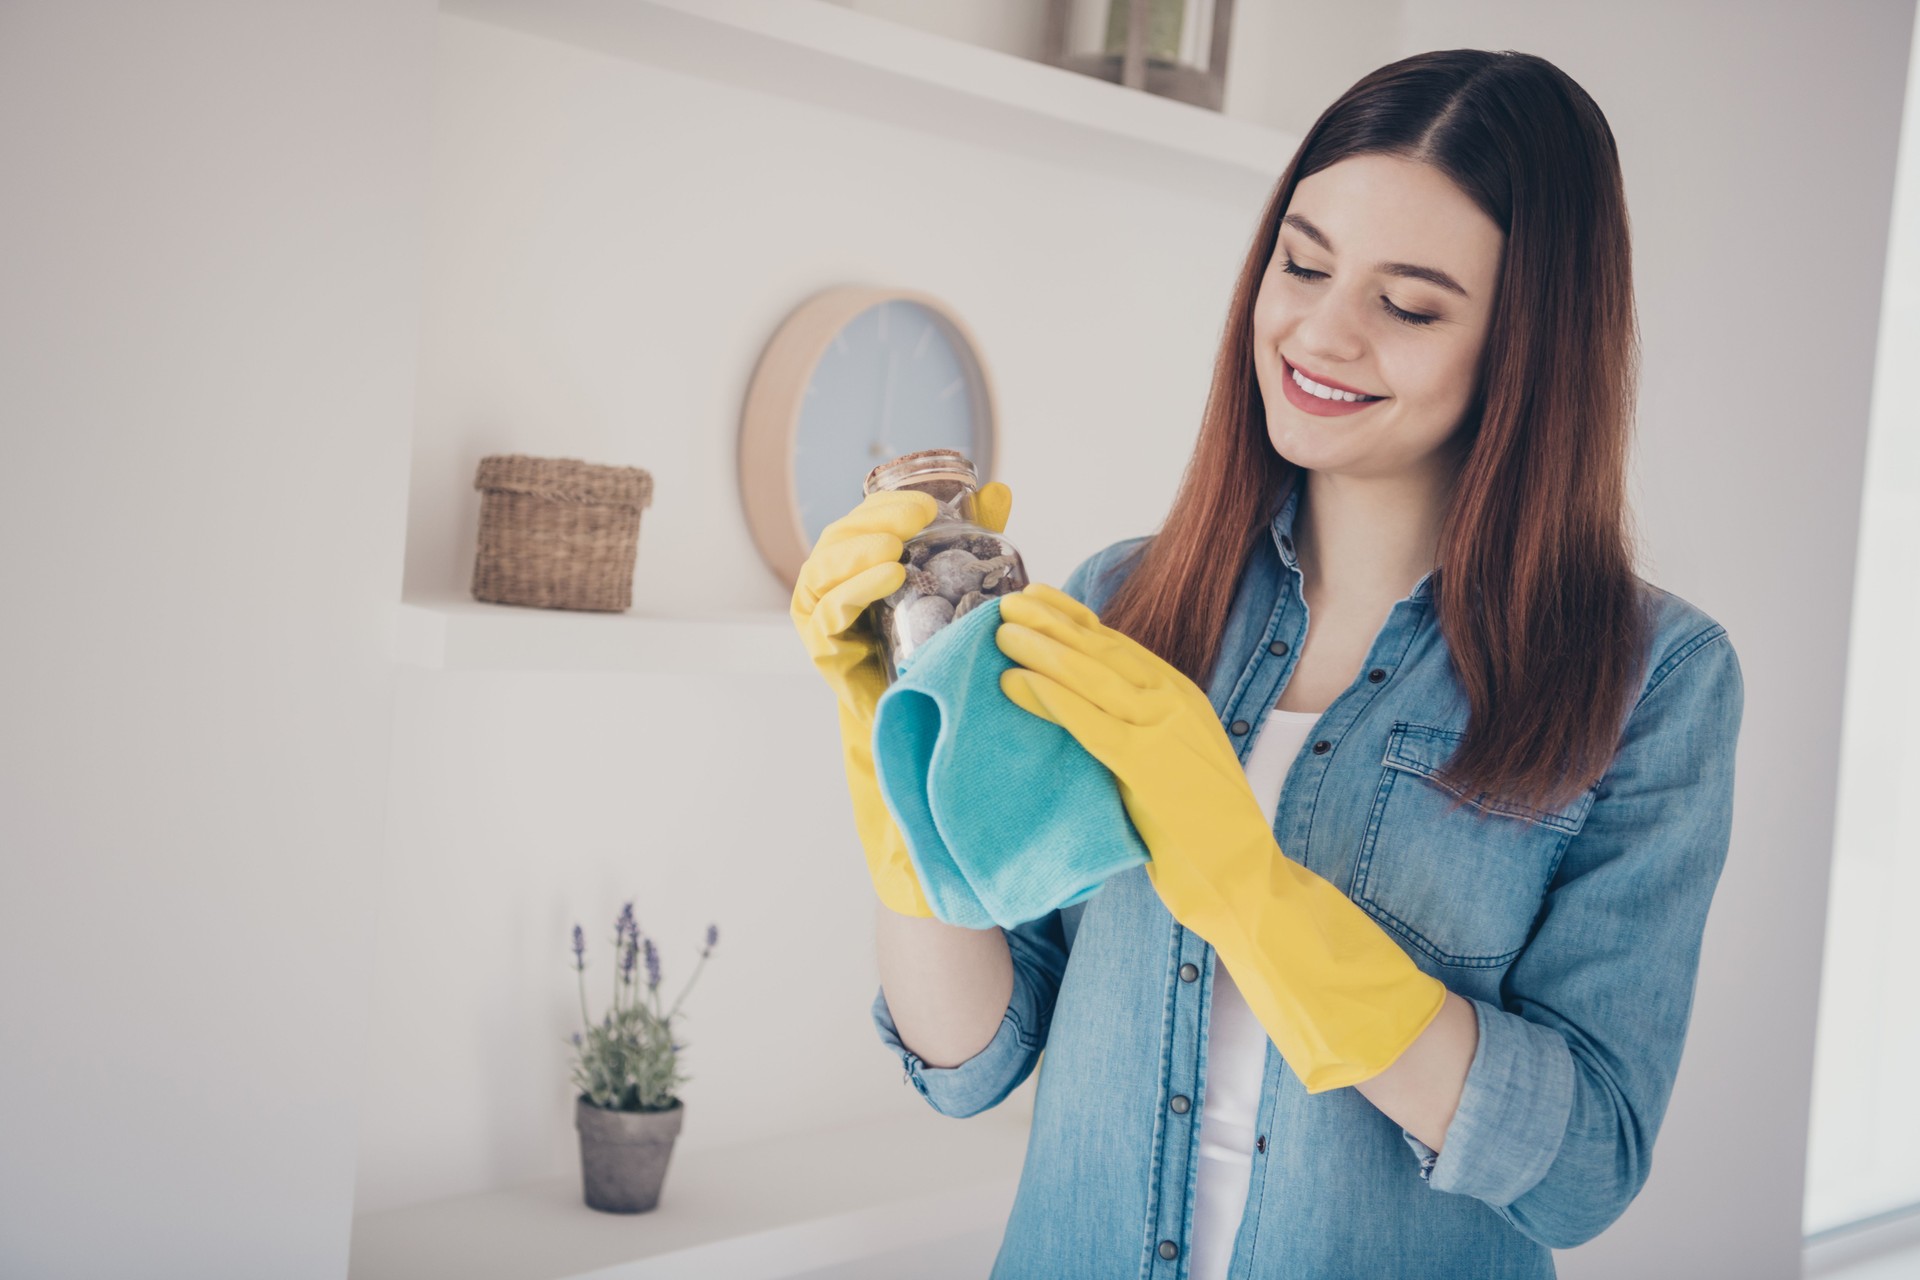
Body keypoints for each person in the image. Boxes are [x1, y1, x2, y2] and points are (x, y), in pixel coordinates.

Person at [790, 48, 1745, 1280]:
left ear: (1528, 347)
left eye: (1410, 306)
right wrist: (896, 743)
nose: (1322, 332)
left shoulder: (1652, 681)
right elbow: (971, 1055)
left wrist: (1249, 886)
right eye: (1303, 263)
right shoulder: (1126, 605)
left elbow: (1583, 1168)